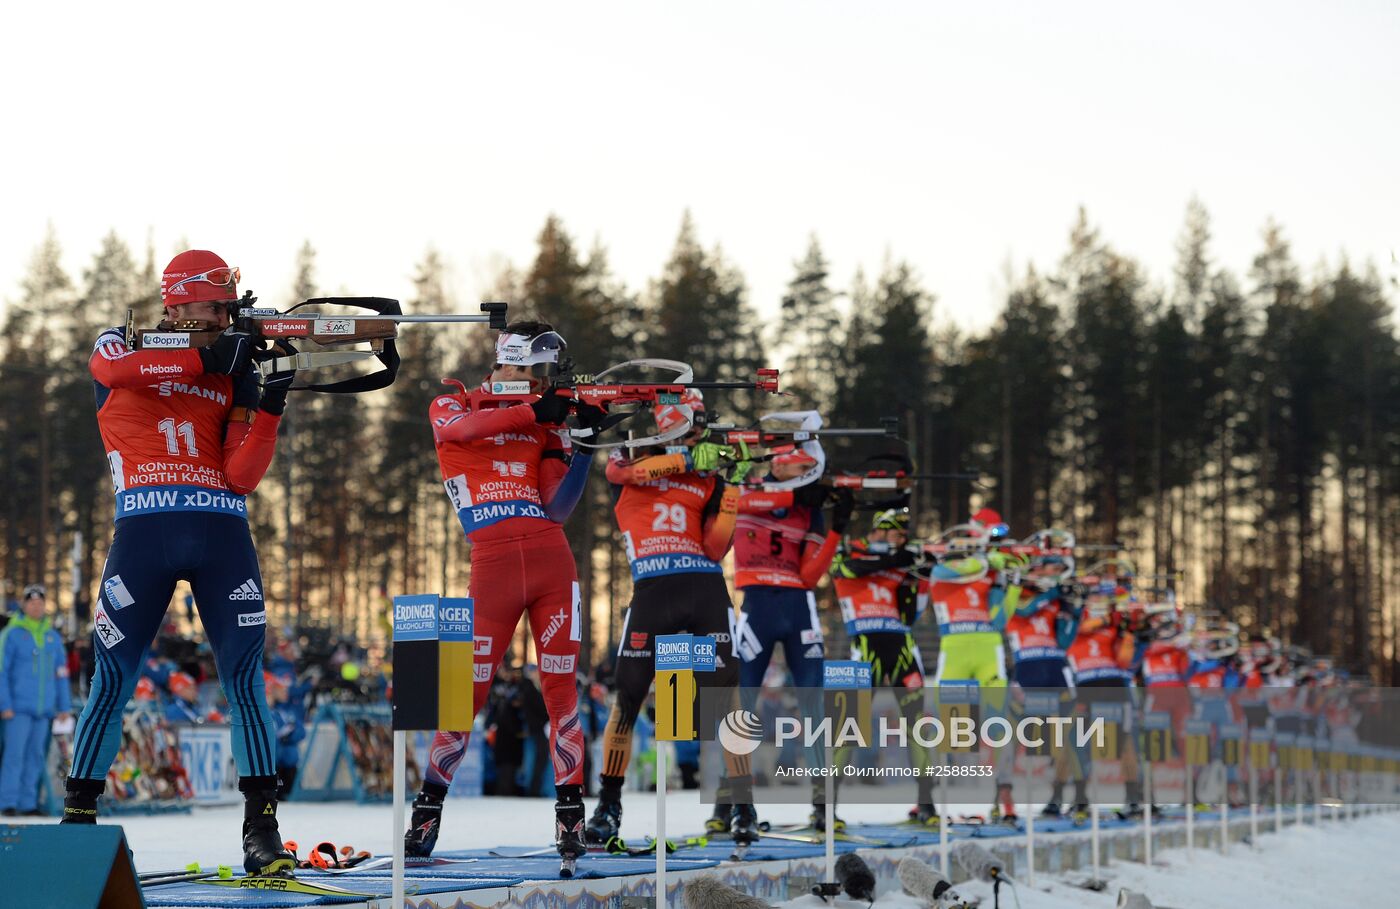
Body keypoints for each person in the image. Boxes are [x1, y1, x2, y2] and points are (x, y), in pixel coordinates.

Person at [64, 250, 299, 877]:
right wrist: (205, 358)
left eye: (229, 304)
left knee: (246, 681)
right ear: (177, 301)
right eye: (214, 302)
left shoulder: (235, 363)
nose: (225, 313)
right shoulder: (122, 343)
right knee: (110, 679)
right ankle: (78, 816)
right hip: (143, 532)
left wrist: (270, 405)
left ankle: (262, 829)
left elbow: (240, 475)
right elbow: (109, 368)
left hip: (222, 532)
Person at [405, 321, 598, 863]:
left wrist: (582, 445)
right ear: (516, 363)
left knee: (561, 694)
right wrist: (538, 412)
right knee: (463, 699)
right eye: (539, 372)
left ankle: (569, 820)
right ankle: (425, 817)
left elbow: (558, 508)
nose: (544, 383)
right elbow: (459, 435)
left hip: (550, 564)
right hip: (490, 569)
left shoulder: (546, 419)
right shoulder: (454, 403)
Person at [584, 391, 756, 845]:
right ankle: (608, 803)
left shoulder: (707, 477)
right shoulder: (635, 457)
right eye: (688, 427)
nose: (697, 437)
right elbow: (618, 471)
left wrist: (732, 484)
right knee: (629, 695)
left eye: (700, 430)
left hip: (703, 586)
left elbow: (717, 546)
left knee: (726, 700)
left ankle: (743, 804)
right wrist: (682, 457)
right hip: (652, 588)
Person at [731, 430, 851, 830]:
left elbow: (810, 576)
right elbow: (741, 503)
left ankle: (823, 803)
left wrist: (837, 528)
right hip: (757, 606)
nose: (810, 477)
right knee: (740, 705)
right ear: (780, 463)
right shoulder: (748, 484)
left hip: (798, 608)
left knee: (814, 704)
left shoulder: (810, 507)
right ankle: (733, 804)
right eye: (805, 468)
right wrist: (792, 497)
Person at [830, 507, 938, 827]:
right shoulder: (852, 552)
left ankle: (926, 804)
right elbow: (845, 571)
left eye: (905, 536)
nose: (901, 540)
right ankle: (824, 808)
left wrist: (924, 575)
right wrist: (894, 559)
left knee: (918, 726)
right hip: (862, 645)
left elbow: (912, 614)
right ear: (879, 530)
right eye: (896, 534)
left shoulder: (901, 561)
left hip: (902, 646)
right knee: (846, 730)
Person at [0, 585, 73, 816]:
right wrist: (5, 704)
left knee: (35, 756)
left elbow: (61, 673)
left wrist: (63, 706)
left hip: (44, 710)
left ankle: (28, 803)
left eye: (40, 603)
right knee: (14, 755)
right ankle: (8, 802)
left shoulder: (52, 636)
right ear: (23, 605)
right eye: (31, 603)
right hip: (18, 709)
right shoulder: (12, 634)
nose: (36, 606)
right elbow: (2, 671)